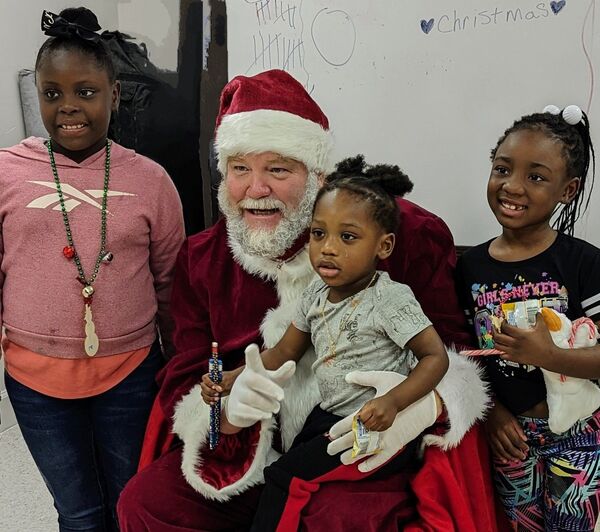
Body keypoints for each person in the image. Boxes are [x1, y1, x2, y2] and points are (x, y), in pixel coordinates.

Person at [118, 69, 496, 531]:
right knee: (147, 502)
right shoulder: (202, 260)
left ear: (317, 174)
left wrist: (415, 408)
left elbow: (456, 349)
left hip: (364, 445)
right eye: (241, 169)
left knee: (332, 520)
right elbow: (189, 371)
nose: (256, 190)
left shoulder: (404, 233)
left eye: (278, 169)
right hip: (254, 453)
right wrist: (227, 411)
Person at [0, 8, 184, 531]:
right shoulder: (7, 171)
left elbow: (171, 282)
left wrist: (177, 365)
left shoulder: (151, 181)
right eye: (52, 94)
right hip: (35, 383)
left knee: (131, 500)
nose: (68, 108)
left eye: (86, 91)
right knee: (78, 512)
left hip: (130, 375)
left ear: (115, 95)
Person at [202, 159, 450, 531]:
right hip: (328, 414)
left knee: (286, 478)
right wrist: (232, 379)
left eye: (347, 237)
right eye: (319, 234)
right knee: (286, 467)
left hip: (376, 422)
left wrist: (393, 402)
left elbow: (436, 357)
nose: (328, 249)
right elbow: (284, 352)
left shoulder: (391, 299)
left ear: (383, 246)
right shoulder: (315, 293)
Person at [456, 105, 600, 530]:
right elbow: (467, 353)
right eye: (503, 169)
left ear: (567, 191)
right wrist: (492, 412)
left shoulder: (582, 262)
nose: (513, 187)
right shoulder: (470, 267)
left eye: (535, 177)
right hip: (511, 436)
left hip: (578, 432)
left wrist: (548, 356)